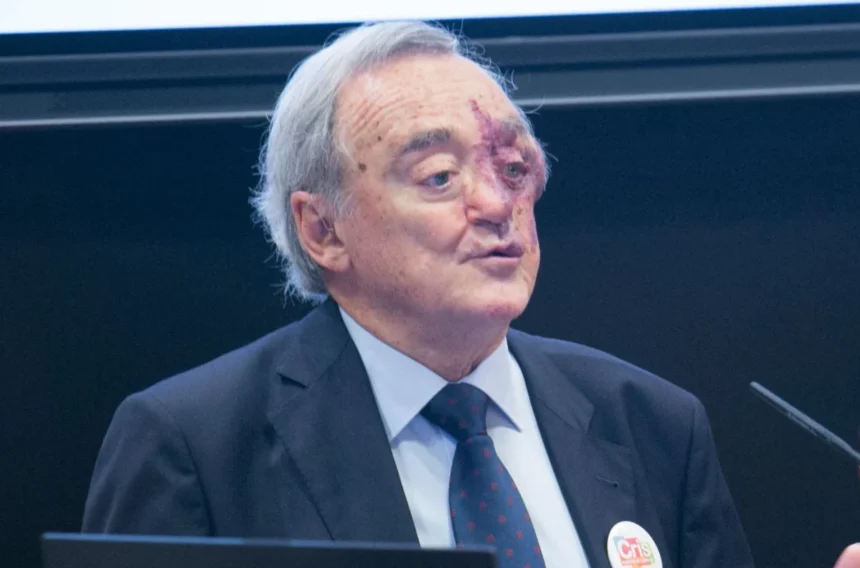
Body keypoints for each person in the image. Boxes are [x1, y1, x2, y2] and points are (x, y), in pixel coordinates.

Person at [81, 20, 857, 568]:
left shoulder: (651, 423)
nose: (496, 204)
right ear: (322, 230)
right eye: (439, 176)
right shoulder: (196, 446)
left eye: (513, 169)